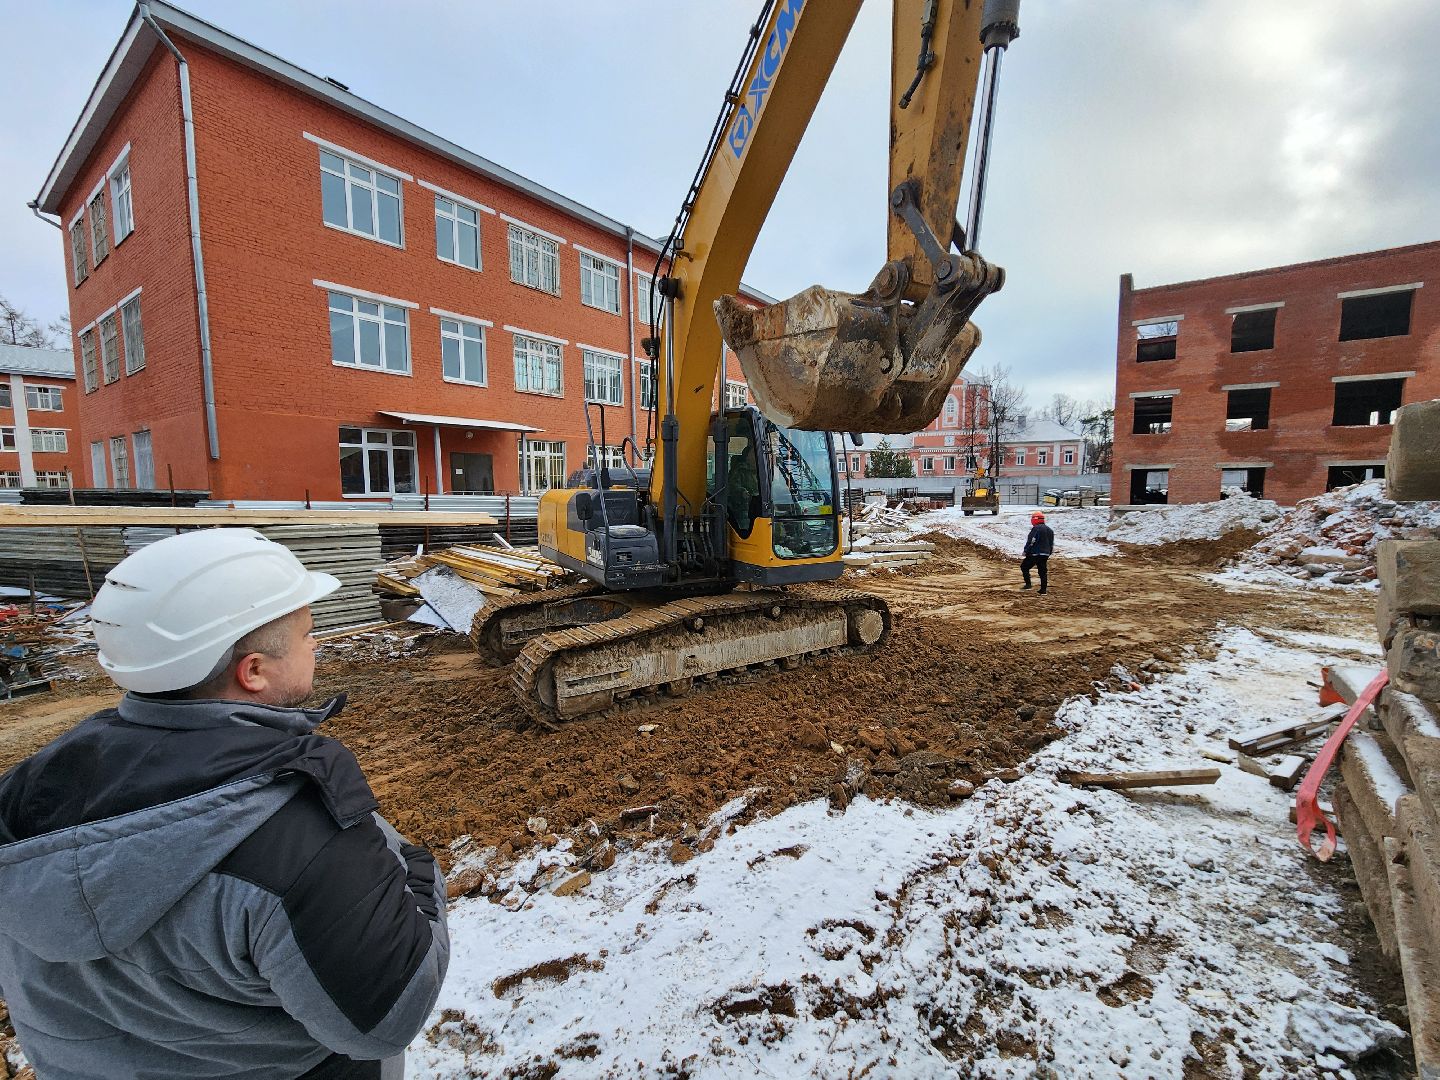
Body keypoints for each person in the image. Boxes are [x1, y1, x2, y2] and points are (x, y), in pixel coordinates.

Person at [0, 528, 448, 1080]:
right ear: (253, 670)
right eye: (308, 635)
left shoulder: (26, 793)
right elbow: (386, 1019)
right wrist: (413, 869)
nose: (317, 646)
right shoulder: (300, 839)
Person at [1022, 510, 1054, 594]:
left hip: (1035, 553)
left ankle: (1028, 585)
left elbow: (1031, 541)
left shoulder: (1036, 529)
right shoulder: (1050, 530)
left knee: (1024, 567)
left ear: (1034, 519)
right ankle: (1043, 590)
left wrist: (1026, 551)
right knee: (1042, 571)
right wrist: (1049, 552)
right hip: (1045, 554)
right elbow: (1051, 544)